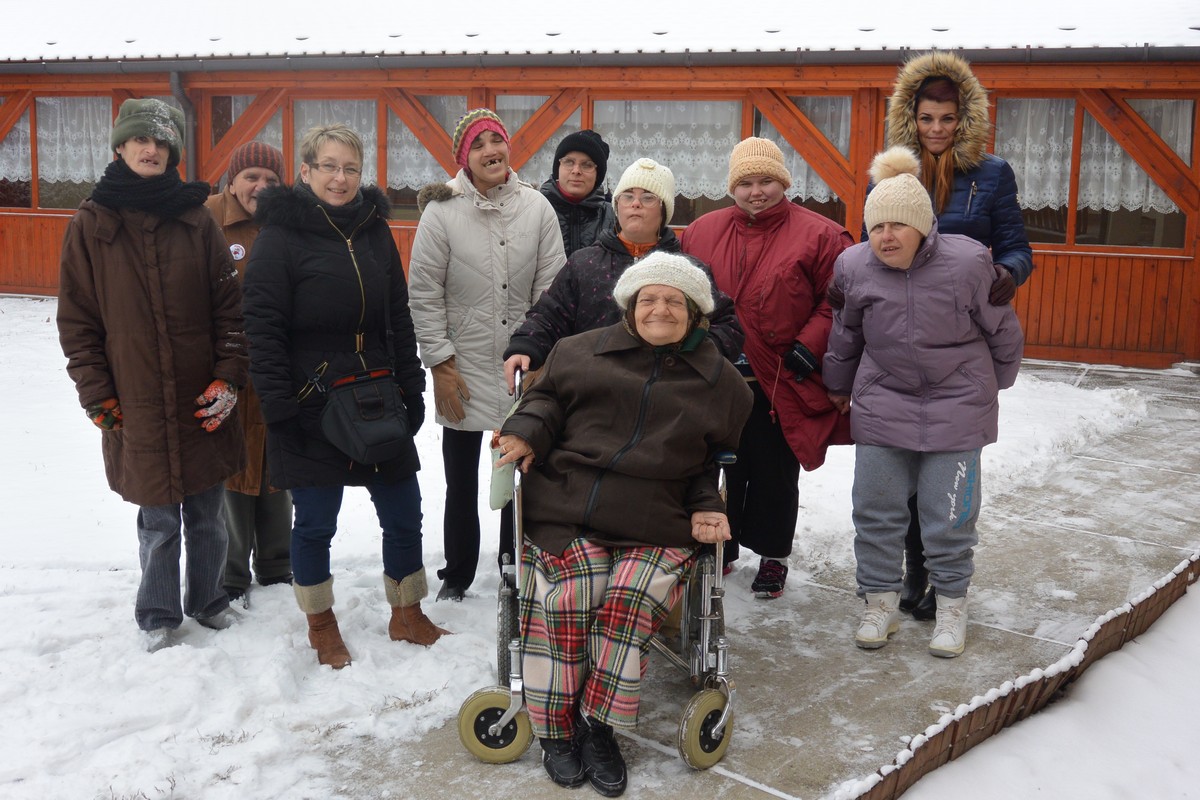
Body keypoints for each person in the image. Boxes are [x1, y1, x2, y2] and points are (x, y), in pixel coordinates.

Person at [495, 252, 753, 796]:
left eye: (674, 301)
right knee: (571, 597)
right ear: (630, 308)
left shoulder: (721, 382)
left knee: (631, 598)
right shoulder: (579, 352)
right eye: (649, 299)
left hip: (657, 517)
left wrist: (709, 504)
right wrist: (524, 433)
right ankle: (555, 730)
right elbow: (544, 403)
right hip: (569, 505)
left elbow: (709, 460)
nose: (660, 309)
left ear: (695, 313)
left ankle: (598, 725)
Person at [241, 123, 446, 670]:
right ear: (305, 172)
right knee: (315, 523)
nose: (340, 178)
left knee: (403, 511)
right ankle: (321, 624)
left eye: (350, 168)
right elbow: (262, 330)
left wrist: (412, 385)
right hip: (310, 403)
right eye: (329, 166)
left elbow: (397, 315)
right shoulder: (279, 238)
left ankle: (407, 612)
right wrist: (280, 408)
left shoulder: (374, 229)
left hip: (376, 395)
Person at [57, 98, 247, 653]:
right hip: (135, 398)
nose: (151, 149)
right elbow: (78, 322)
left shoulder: (197, 220)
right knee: (159, 520)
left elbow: (230, 312)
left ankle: (209, 601)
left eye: (162, 142)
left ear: (173, 153)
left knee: (208, 515)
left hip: (200, 396)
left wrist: (229, 378)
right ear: (120, 146)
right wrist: (96, 394)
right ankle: (159, 614)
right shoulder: (91, 224)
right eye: (141, 139)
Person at [823, 147, 1024, 658]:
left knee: (949, 515)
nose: (885, 236)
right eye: (876, 226)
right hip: (883, 398)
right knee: (876, 510)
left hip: (958, 401)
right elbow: (846, 334)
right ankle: (880, 603)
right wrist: (838, 385)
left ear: (923, 227)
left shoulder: (968, 262)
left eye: (897, 225)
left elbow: (1002, 330)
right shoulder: (853, 266)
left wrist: (995, 384)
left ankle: (952, 604)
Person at [867, 50, 1037, 620]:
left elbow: (1016, 244)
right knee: (900, 473)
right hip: (899, 335)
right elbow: (870, 240)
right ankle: (914, 571)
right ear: (909, 119)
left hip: (960, 338)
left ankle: (946, 578)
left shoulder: (992, 174)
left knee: (948, 471)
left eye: (947, 119)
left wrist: (1009, 272)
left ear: (965, 120)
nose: (936, 129)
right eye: (926, 118)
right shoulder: (894, 173)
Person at [680, 137, 853, 599]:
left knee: (774, 473)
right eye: (746, 183)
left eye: (766, 181)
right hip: (715, 376)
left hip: (778, 377)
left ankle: (774, 556)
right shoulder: (700, 231)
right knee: (716, 468)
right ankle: (721, 545)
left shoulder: (821, 235)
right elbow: (683, 294)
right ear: (732, 187)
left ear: (784, 182)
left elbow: (837, 302)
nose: (756, 192)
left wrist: (810, 344)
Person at [409, 108, 566, 602]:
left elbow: (551, 289)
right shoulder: (441, 212)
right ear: (464, 157)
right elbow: (424, 293)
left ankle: (511, 564)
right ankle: (457, 573)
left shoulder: (537, 207)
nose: (490, 151)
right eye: (477, 144)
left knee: (517, 471)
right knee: (459, 480)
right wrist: (441, 364)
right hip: (464, 365)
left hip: (521, 368)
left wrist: (540, 356)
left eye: (496, 139)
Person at [504, 156, 742, 390]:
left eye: (648, 197)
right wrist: (526, 346)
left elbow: (727, 326)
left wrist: (692, 356)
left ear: (664, 210)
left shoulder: (688, 270)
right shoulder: (583, 264)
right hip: (591, 391)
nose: (635, 203)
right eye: (627, 196)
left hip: (667, 396)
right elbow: (550, 315)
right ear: (617, 206)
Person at [204, 141, 293, 605]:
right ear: (232, 180)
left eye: (271, 179)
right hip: (226, 366)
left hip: (278, 368)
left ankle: (278, 564)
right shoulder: (206, 220)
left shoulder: (288, 222)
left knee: (277, 464)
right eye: (251, 176)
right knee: (232, 467)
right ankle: (231, 573)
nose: (261, 186)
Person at [540, 129, 616, 257]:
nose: (576, 171)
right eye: (569, 162)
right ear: (558, 168)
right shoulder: (536, 210)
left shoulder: (614, 217)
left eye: (587, 165)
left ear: (598, 175)